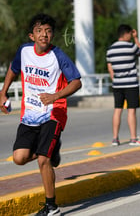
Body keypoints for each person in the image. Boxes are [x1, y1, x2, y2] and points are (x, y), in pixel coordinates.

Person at [0, 13, 82, 216]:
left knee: (43, 160)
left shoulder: (59, 56)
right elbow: (13, 68)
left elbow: (76, 81)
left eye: (48, 31)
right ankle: (52, 150)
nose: (44, 35)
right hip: (30, 114)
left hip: (54, 112)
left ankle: (51, 206)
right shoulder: (24, 51)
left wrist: (55, 96)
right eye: (39, 31)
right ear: (31, 35)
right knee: (19, 158)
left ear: (52, 35)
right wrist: (3, 92)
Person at [106, 24, 140, 146]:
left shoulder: (110, 49)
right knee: (131, 111)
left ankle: (115, 139)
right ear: (127, 33)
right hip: (131, 84)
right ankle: (133, 138)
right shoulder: (131, 47)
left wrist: (116, 79)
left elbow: (110, 67)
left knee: (117, 110)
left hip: (117, 84)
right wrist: (136, 38)